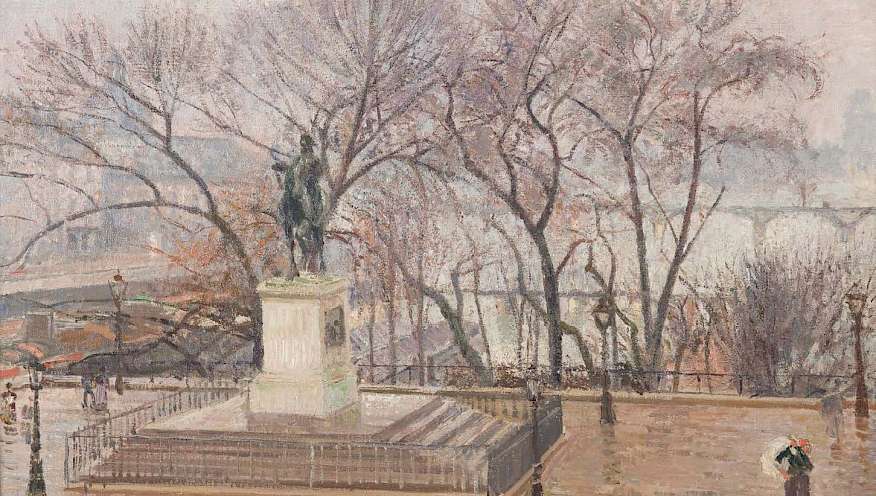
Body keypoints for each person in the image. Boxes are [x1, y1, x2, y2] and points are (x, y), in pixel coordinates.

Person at [819, 380, 844, 444]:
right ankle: (835, 439)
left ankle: (837, 439)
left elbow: (839, 402)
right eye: (838, 384)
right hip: (832, 411)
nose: (838, 385)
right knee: (833, 425)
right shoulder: (832, 391)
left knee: (836, 425)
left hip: (836, 411)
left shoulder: (837, 393)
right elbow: (824, 401)